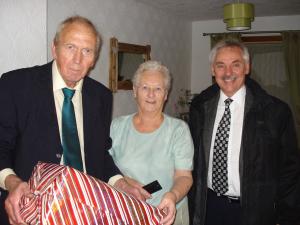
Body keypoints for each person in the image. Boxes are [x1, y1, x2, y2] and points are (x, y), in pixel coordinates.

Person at [0, 16, 143, 225]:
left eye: (87, 51)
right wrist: (12, 183)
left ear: (94, 59)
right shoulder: (16, 85)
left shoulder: (101, 96)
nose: (78, 59)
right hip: (29, 212)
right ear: (54, 48)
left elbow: (99, 154)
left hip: (86, 213)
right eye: (70, 47)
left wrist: (120, 183)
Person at [188, 38, 300, 225]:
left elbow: (289, 171)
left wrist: (288, 217)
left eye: (236, 65)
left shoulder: (275, 111)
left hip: (255, 211)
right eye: (221, 65)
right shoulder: (200, 106)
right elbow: (193, 159)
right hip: (208, 206)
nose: (228, 73)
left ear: (247, 67)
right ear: (212, 70)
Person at [109, 60, 194, 225]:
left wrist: (173, 196)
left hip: (167, 214)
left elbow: (184, 176)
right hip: (126, 213)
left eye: (158, 89)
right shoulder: (117, 126)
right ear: (135, 91)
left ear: (166, 94)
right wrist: (125, 181)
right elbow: (103, 166)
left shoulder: (178, 130)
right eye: (145, 87)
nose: (151, 94)